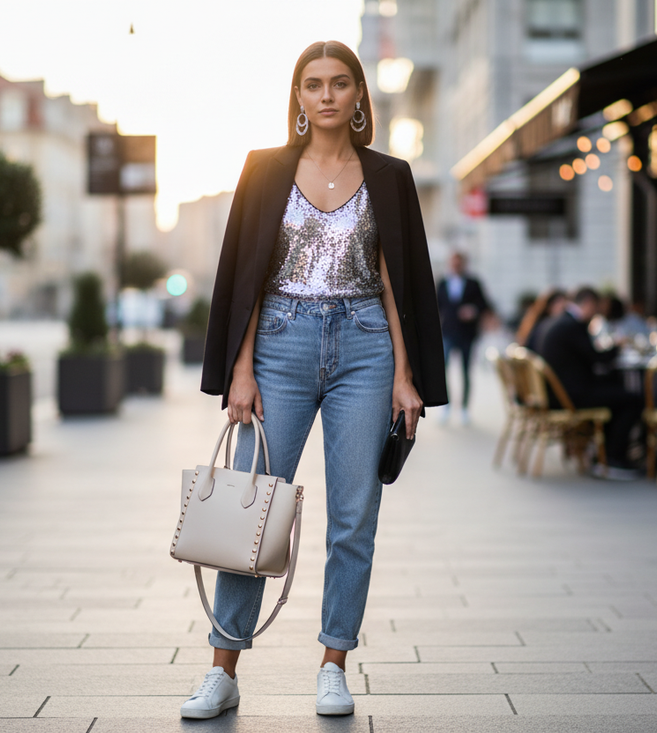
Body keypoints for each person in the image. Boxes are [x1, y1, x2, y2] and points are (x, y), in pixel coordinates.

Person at [193, 41, 448, 719]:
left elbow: (396, 282)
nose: (327, 95)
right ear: (299, 97)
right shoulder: (265, 168)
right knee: (250, 509)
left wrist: (405, 375)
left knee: (354, 517)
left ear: (360, 93)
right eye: (314, 84)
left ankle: (334, 664)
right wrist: (240, 369)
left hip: (366, 347)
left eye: (339, 83)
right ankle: (223, 668)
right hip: (279, 346)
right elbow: (247, 275)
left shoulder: (390, 175)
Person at [539, 287, 643, 479]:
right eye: (596, 308)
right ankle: (613, 458)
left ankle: (605, 455)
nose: (597, 313)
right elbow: (597, 359)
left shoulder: (562, 322)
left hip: (561, 391)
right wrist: (618, 346)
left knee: (617, 391)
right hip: (570, 395)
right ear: (588, 304)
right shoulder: (573, 325)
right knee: (632, 400)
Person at [436, 252, 493, 423]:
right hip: (448, 332)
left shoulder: (473, 283)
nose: (456, 266)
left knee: (466, 371)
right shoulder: (443, 283)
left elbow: (484, 304)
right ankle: (445, 407)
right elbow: (435, 305)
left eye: (459, 263)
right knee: (443, 370)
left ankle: (464, 408)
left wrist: (473, 311)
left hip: (467, 334)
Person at [516, 289, 566, 354]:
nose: (563, 308)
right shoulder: (542, 325)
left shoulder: (536, 322)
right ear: (549, 305)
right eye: (559, 304)